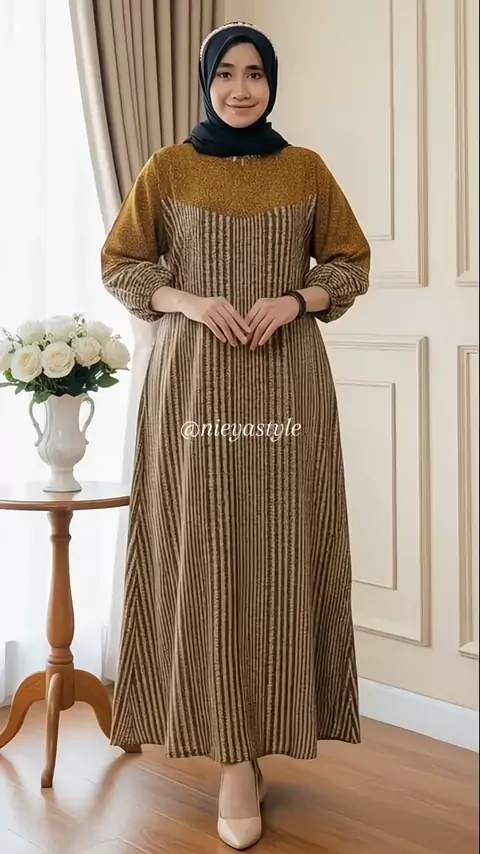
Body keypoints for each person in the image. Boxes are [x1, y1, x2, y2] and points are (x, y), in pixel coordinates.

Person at [101, 21, 370, 851]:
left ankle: (258, 740)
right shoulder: (167, 169)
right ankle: (230, 759)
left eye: (255, 73)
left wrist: (296, 300)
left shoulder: (306, 170)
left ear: (271, 82)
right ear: (207, 80)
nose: (241, 89)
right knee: (207, 552)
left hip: (288, 383)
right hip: (192, 386)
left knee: (280, 554)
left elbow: (350, 265)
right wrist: (186, 299)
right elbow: (122, 265)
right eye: (226, 73)